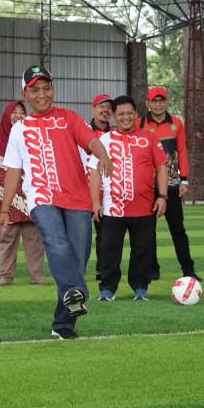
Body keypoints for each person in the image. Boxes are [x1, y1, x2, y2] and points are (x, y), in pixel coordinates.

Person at [0, 65, 113, 340]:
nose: (42, 94)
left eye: (46, 88)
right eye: (35, 89)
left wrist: (104, 153)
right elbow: (13, 171)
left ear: (53, 90)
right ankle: (77, 293)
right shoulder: (19, 130)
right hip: (41, 197)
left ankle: (62, 325)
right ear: (25, 93)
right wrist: (4, 210)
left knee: (78, 258)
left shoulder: (69, 119)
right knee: (56, 243)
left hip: (77, 198)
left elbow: (91, 141)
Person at [89, 95, 168, 301]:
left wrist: (162, 196)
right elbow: (94, 172)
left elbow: (161, 168)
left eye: (129, 113)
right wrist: (95, 202)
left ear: (136, 114)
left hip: (144, 207)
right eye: (121, 114)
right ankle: (107, 289)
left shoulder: (149, 139)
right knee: (108, 251)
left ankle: (140, 288)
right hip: (112, 207)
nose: (126, 117)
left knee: (143, 250)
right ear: (114, 116)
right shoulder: (103, 141)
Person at [0, 100, 47, 286]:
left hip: (31, 197)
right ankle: (5, 275)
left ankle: (37, 275)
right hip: (4, 199)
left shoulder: (34, 137)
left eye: (21, 112)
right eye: (14, 112)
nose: (18, 115)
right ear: (6, 116)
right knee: (6, 238)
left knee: (35, 240)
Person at [138, 86, 200, 282]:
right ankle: (152, 270)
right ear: (147, 103)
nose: (158, 104)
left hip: (172, 184)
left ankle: (188, 270)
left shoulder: (176, 123)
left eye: (161, 100)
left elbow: (182, 151)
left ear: (166, 102)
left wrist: (184, 179)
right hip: (148, 186)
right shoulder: (140, 124)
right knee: (148, 231)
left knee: (178, 230)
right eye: (154, 101)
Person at [88, 94, 113, 281]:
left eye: (108, 107)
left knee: (105, 236)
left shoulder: (114, 135)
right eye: (101, 106)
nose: (105, 110)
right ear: (93, 109)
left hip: (104, 193)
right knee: (78, 236)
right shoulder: (84, 130)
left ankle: (102, 270)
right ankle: (75, 270)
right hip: (81, 191)